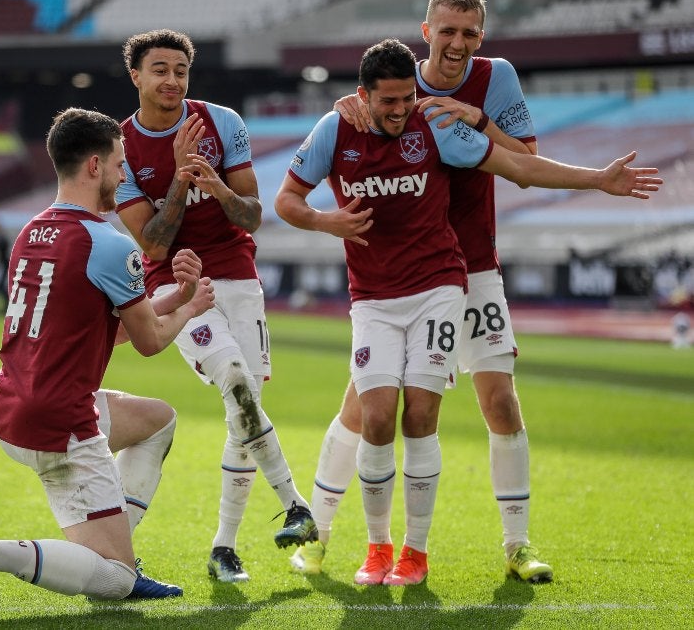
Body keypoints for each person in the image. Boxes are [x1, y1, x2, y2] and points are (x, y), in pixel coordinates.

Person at [275, 38, 660, 587]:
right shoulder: (336, 128)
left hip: (445, 283)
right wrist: (323, 220)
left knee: (437, 412)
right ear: (363, 95)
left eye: (408, 97)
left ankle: (437, 550)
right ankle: (354, 543)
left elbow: (519, 167)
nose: (401, 108)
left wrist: (598, 179)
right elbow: (289, 199)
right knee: (372, 413)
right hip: (374, 296)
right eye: (388, 101)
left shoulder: (438, 121)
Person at [291, 0, 560, 585]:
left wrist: (480, 119)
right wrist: (345, 106)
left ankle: (517, 544)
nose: (457, 43)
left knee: (499, 400)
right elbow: (362, 112)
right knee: (365, 408)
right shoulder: (394, 93)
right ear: (426, 33)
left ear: (480, 37)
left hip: (472, 264)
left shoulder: (496, 79)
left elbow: (524, 162)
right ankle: (321, 532)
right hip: (398, 275)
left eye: (469, 33)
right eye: (448, 32)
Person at [0, 108, 216, 617]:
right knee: (114, 578)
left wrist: (169, 300)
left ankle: (113, 548)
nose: (125, 176)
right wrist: (190, 306)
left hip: (17, 404)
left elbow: (96, 332)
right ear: (95, 167)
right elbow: (148, 343)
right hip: (61, 420)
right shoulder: (106, 242)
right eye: (121, 165)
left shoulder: (31, 233)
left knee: (158, 421)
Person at [115, 29, 317, 584]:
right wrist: (181, 180)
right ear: (136, 76)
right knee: (232, 375)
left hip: (239, 278)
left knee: (241, 407)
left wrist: (218, 189)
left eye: (181, 70)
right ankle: (296, 503)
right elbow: (152, 245)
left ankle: (223, 548)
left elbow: (251, 216)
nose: (172, 80)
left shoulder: (223, 122)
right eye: (160, 70)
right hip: (174, 287)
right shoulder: (121, 147)